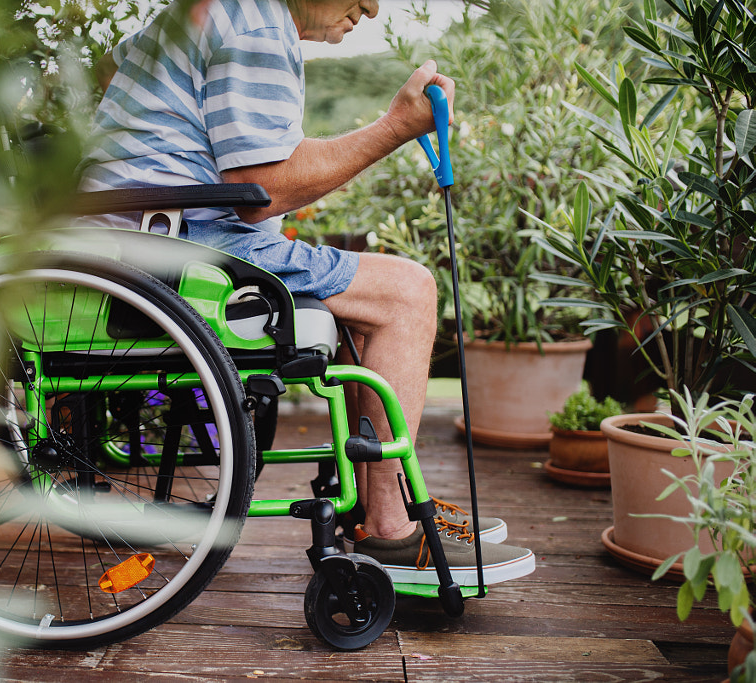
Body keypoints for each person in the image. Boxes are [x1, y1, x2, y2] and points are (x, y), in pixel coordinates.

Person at [78, 0, 534, 586]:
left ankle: (381, 510)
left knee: (364, 308)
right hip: (176, 245)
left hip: (135, 237)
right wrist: (395, 126)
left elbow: (106, 71)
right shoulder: (255, 21)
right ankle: (393, 530)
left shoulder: (203, 11)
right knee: (407, 291)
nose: (369, 8)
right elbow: (264, 186)